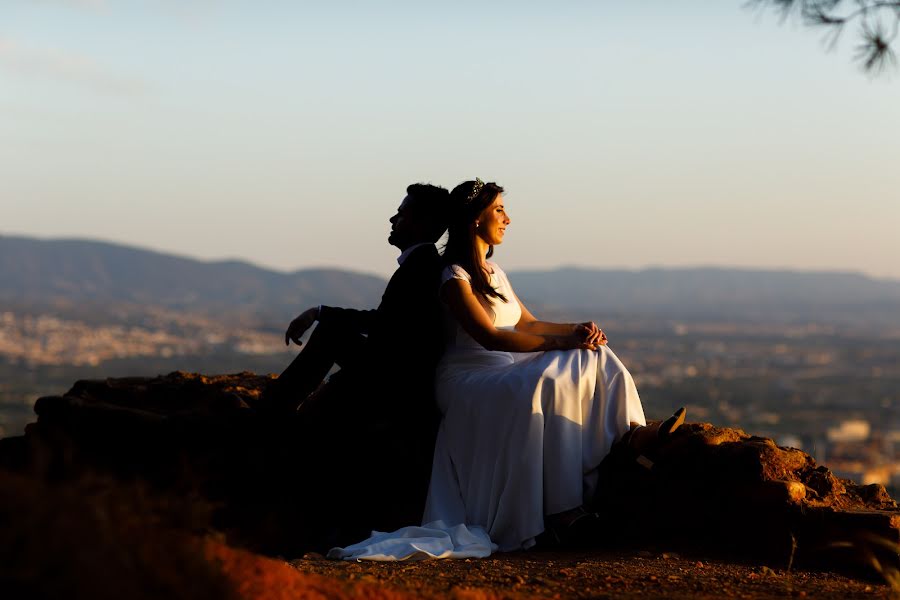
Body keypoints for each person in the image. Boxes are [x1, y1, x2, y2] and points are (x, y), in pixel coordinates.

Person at [330, 179, 684, 560]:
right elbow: (490, 337)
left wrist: (577, 331)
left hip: (503, 369)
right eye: (499, 210)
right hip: (467, 379)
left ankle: (632, 436)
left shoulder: (494, 271)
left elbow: (527, 324)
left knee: (595, 355)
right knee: (544, 380)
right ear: (475, 219)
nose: (507, 219)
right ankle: (564, 511)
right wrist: (558, 343)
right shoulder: (453, 277)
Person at [263, 183, 451, 543]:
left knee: (331, 333)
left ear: (424, 223)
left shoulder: (422, 266)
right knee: (331, 330)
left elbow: (387, 327)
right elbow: (386, 320)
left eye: (403, 212)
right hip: (390, 367)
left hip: (396, 379)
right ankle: (278, 408)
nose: (394, 218)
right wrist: (321, 312)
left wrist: (322, 314)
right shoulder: (420, 263)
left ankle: (273, 412)